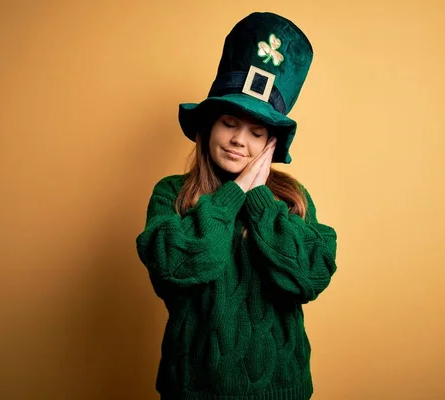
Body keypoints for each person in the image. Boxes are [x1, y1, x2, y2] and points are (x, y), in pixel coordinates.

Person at [136, 11, 338, 400]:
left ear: (270, 145)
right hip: (193, 388)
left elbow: (309, 278)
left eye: (256, 132)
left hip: (279, 389)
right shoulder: (171, 194)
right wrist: (235, 192)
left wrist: (259, 197)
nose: (238, 140)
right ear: (209, 125)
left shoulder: (292, 199)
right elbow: (176, 269)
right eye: (229, 123)